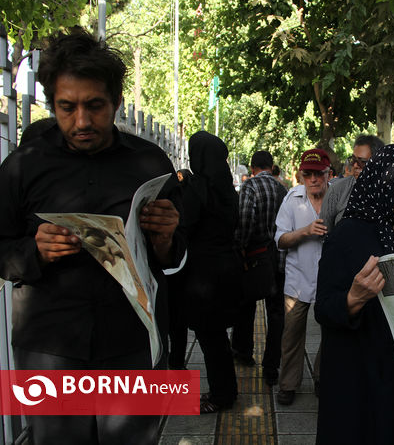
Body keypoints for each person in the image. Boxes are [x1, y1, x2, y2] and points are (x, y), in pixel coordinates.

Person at [0, 28, 185, 444]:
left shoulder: (150, 162)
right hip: (49, 347)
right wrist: (34, 251)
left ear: (116, 102)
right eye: (67, 108)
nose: (81, 121)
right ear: (51, 103)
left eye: (95, 106)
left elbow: (174, 258)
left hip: (132, 342)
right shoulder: (23, 166)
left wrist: (165, 238)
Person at [315, 144, 394, 445]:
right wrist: (354, 298)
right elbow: (324, 308)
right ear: (386, 179)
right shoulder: (348, 234)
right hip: (358, 373)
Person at [180, 131, 242, 413]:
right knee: (216, 336)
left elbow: (186, 226)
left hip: (203, 274)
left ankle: (222, 395)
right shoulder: (227, 187)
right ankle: (225, 390)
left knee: (210, 338)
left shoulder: (197, 188)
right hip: (226, 268)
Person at [275, 148, 331, 405]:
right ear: (301, 175)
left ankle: (322, 376)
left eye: (318, 174)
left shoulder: (337, 199)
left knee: (331, 331)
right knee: (292, 335)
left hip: (330, 280)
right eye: (308, 174)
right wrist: (306, 231)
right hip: (298, 280)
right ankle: (288, 384)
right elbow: (280, 239)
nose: (313, 180)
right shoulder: (292, 198)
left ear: (328, 174)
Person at [231, 150, 288, 386]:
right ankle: (271, 367)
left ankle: (243, 351)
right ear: (271, 166)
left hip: (255, 258)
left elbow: (245, 219)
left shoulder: (251, 186)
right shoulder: (282, 189)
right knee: (276, 314)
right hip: (279, 258)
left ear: (253, 167)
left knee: (246, 304)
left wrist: (241, 247)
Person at [320, 134, 384, 231]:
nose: (355, 165)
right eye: (353, 159)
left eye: (362, 161)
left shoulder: (387, 192)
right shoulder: (337, 190)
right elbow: (325, 231)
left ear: (377, 163)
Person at [164, 169, 193, 371]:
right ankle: (176, 361)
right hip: (181, 271)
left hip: (168, 272)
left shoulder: (171, 199)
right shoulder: (193, 198)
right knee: (178, 322)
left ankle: (172, 360)